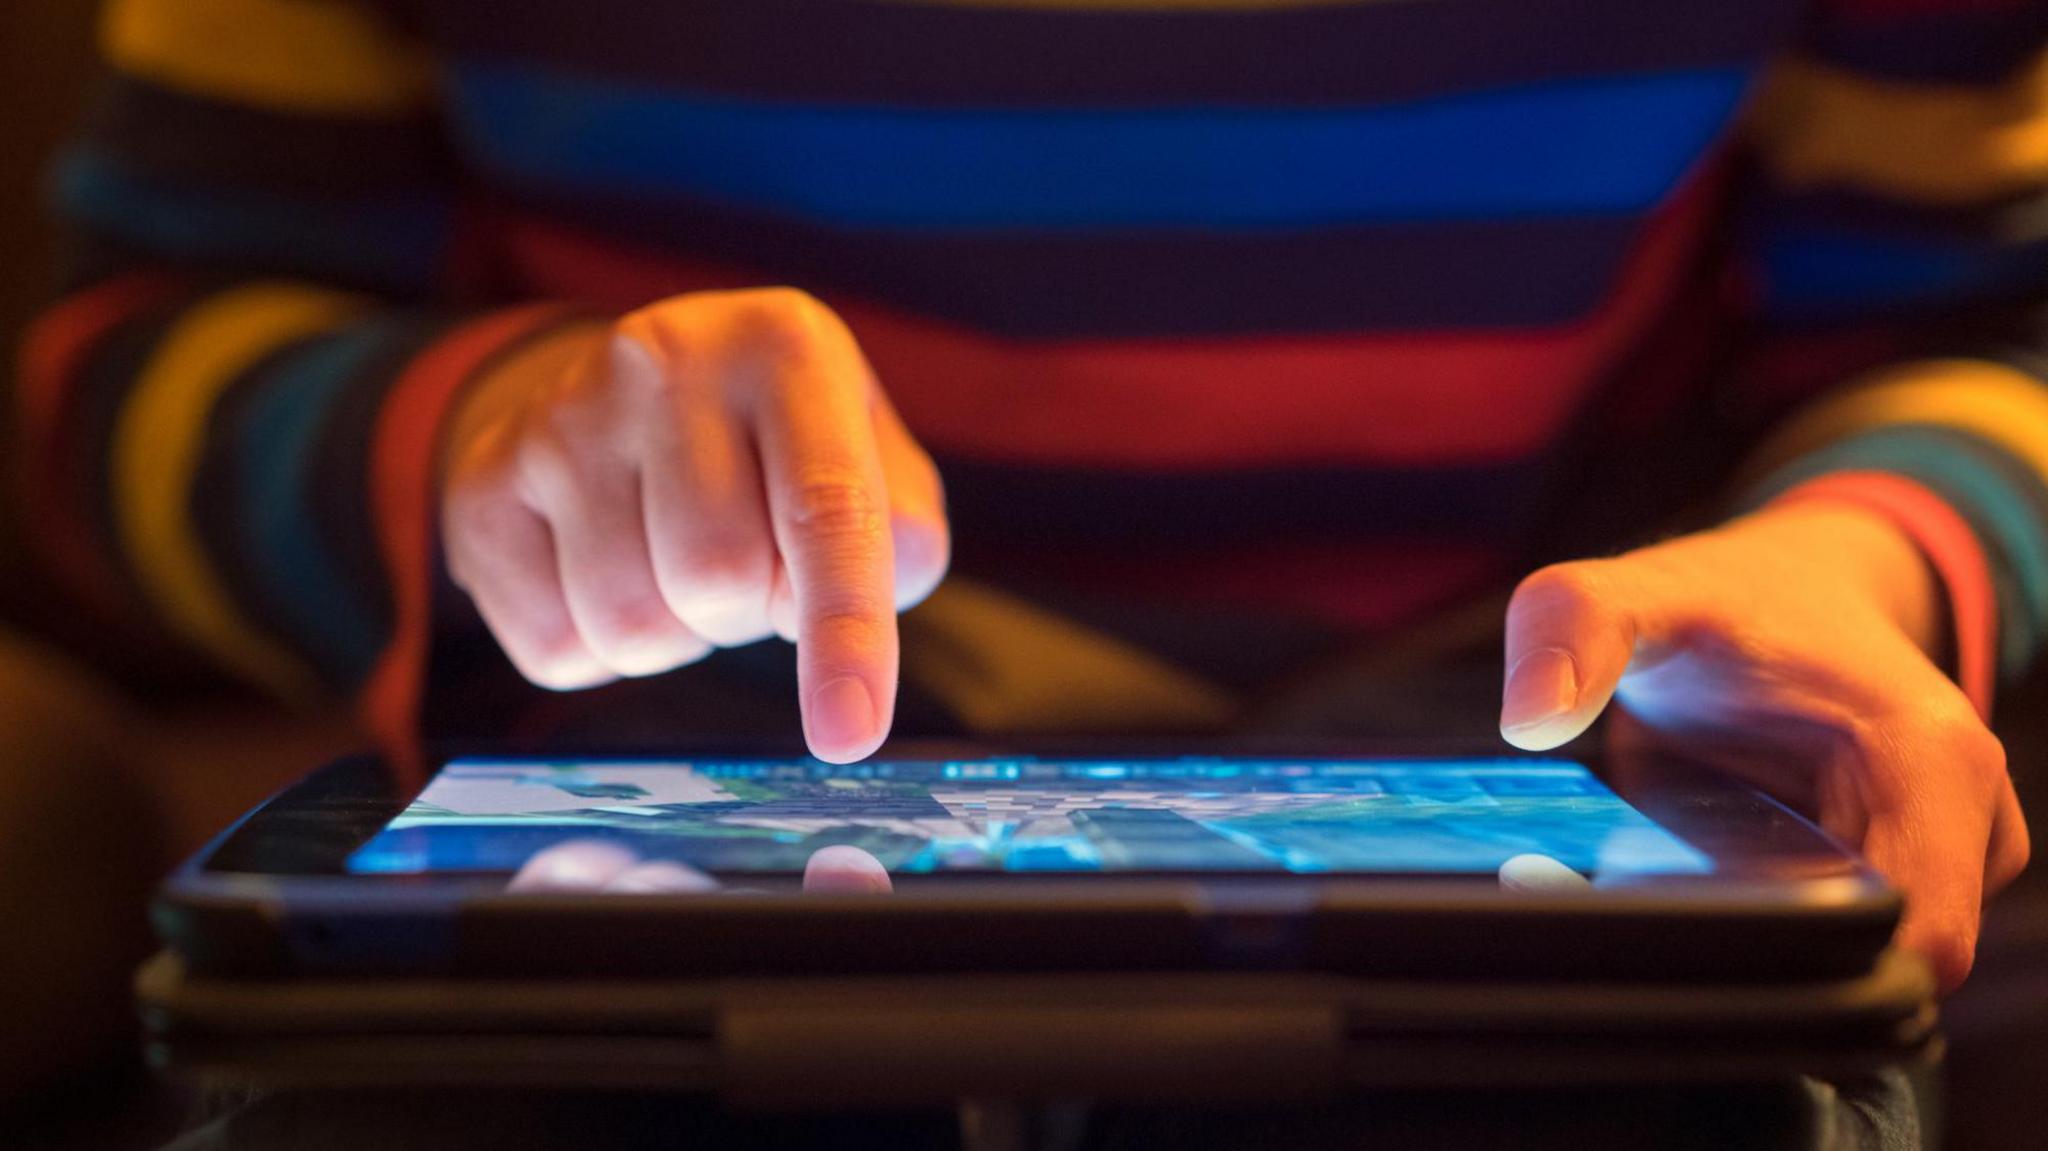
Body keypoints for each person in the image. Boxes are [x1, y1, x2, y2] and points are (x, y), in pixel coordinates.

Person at [10, 0, 2048, 1139]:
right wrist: (464, 444)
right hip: (641, 841)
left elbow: (1968, 323)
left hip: (1523, 787)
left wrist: (1861, 553)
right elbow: (111, 380)